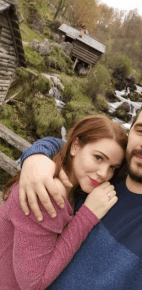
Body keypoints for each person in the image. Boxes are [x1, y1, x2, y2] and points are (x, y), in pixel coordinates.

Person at [18, 95, 142, 289]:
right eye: (141, 130)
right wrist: (37, 158)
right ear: (130, 132)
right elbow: (70, 147)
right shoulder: (105, 174)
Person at [0, 115, 127, 289]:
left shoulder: (69, 181)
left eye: (113, 167)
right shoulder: (49, 193)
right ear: (75, 146)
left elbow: (60, 144)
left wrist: (37, 153)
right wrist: (87, 216)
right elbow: (33, 284)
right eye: (98, 157)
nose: (104, 174)